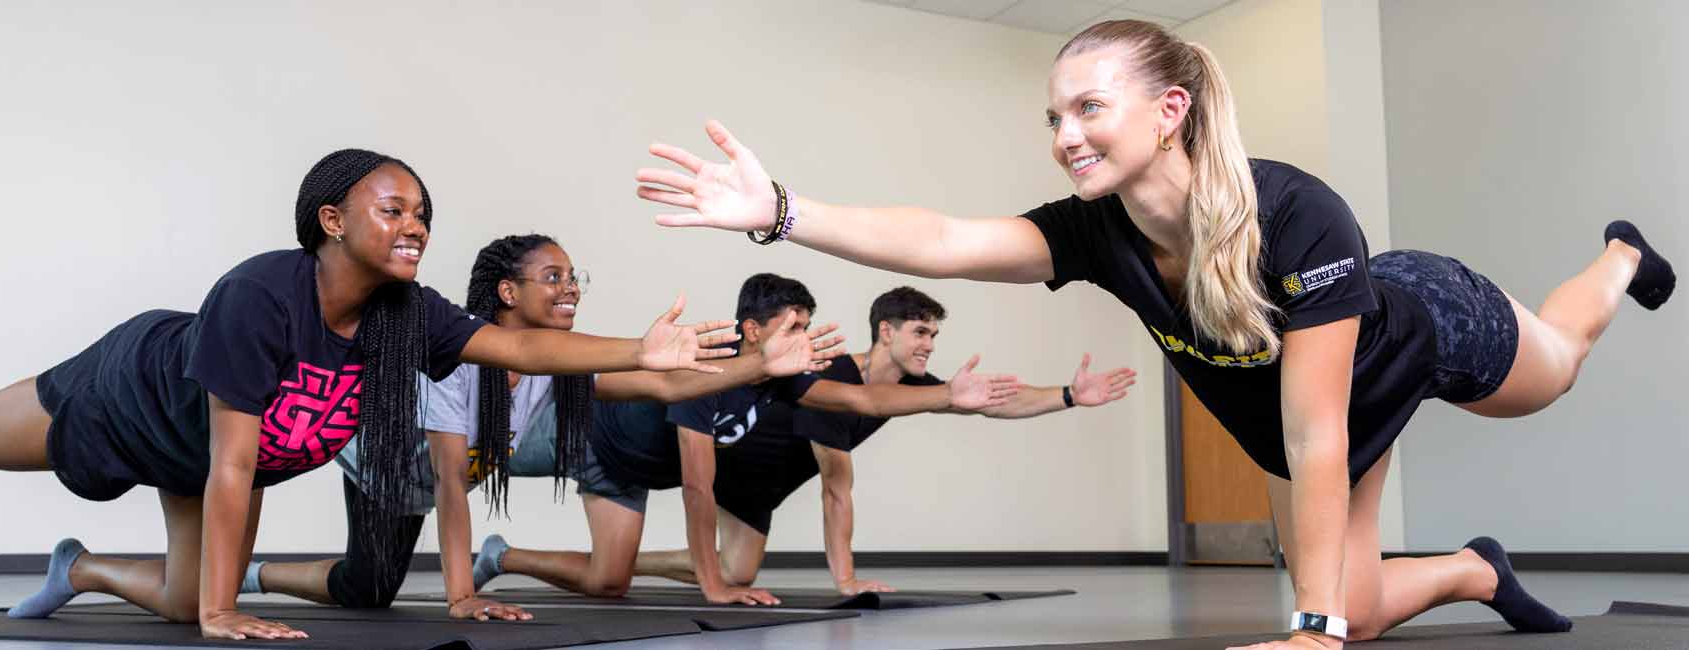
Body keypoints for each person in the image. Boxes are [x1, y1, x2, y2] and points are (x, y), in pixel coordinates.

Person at [632, 19, 1675, 649]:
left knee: (1559, 367)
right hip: (1315, 407)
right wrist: (784, 209)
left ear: (1169, 108)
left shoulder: (1298, 216)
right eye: (1052, 116)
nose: (1065, 134)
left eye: (1088, 107)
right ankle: (1475, 569)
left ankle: (1621, 256)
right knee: (1352, 603)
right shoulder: (1096, 231)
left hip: (1423, 324)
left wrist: (1309, 627)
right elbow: (944, 238)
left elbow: (1318, 434)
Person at [0, 149, 740, 640]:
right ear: (331, 218)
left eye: (422, 213)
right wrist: (228, 611)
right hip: (138, 392)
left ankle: (84, 568)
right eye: (390, 207)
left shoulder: (411, 312)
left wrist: (647, 350)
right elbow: (236, 460)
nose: (413, 224)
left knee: (186, 600)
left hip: (212, 449)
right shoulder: (261, 295)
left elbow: (517, 344)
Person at [241, 233, 847, 621]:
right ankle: (253, 571)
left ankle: (255, 573)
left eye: (573, 277)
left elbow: (663, 384)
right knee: (365, 587)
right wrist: (461, 596)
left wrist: (756, 365)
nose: (571, 288)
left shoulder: (549, 368)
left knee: (365, 588)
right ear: (508, 291)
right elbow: (452, 488)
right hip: (382, 468)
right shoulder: (458, 363)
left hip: (421, 486)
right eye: (553, 278)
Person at [475, 273, 1031, 606]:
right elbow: (697, 485)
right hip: (583, 436)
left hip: (627, 475)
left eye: (806, 329)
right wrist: (712, 585)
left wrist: (947, 397)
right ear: (752, 332)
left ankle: (502, 556)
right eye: (791, 329)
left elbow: (861, 400)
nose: (802, 341)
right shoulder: (708, 373)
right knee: (464, 461)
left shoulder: (782, 383)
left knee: (608, 583)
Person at [632, 285, 1136, 596]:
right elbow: (835, 488)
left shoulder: (909, 385)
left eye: (934, 336)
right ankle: (630, 565)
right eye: (920, 332)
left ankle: (627, 564)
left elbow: (996, 400)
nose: (929, 345)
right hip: (737, 466)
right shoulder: (838, 377)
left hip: (762, 491)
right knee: (730, 571)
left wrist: (1069, 394)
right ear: (885, 332)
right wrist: (846, 580)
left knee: (736, 572)